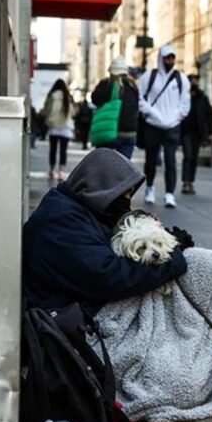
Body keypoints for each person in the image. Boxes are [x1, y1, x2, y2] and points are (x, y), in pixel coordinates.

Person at [22, 148, 191, 313]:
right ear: (104, 189)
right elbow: (109, 277)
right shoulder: (61, 221)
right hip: (65, 317)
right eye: (124, 194)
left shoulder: (80, 207)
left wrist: (165, 237)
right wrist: (172, 257)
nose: (127, 201)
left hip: (79, 304)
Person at [138, 45, 191, 208]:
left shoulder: (181, 78)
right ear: (161, 58)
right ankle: (150, 188)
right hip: (152, 125)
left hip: (172, 126)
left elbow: (185, 102)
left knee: (171, 160)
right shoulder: (149, 76)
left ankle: (169, 194)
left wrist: (176, 117)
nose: (170, 61)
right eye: (167, 57)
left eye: (172, 57)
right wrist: (152, 114)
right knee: (151, 160)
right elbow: (140, 98)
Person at [91, 56, 139, 159]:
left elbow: (94, 98)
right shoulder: (133, 86)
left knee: (106, 166)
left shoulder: (108, 85)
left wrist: (102, 83)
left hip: (111, 133)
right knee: (123, 169)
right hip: (130, 133)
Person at [180, 74, 212, 195]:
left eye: (196, 80)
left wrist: (211, 131)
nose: (194, 83)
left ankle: (190, 182)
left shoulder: (202, 97)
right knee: (188, 156)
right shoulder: (183, 95)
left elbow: (209, 114)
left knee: (194, 158)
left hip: (198, 132)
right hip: (185, 132)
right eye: (192, 80)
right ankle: (185, 182)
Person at [41, 79, 76, 181]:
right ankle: (61, 171)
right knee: (63, 150)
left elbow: (46, 110)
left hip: (53, 126)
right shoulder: (67, 97)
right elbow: (72, 112)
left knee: (53, 149)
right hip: (65, 127)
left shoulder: (52, 96)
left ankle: (52, 170)